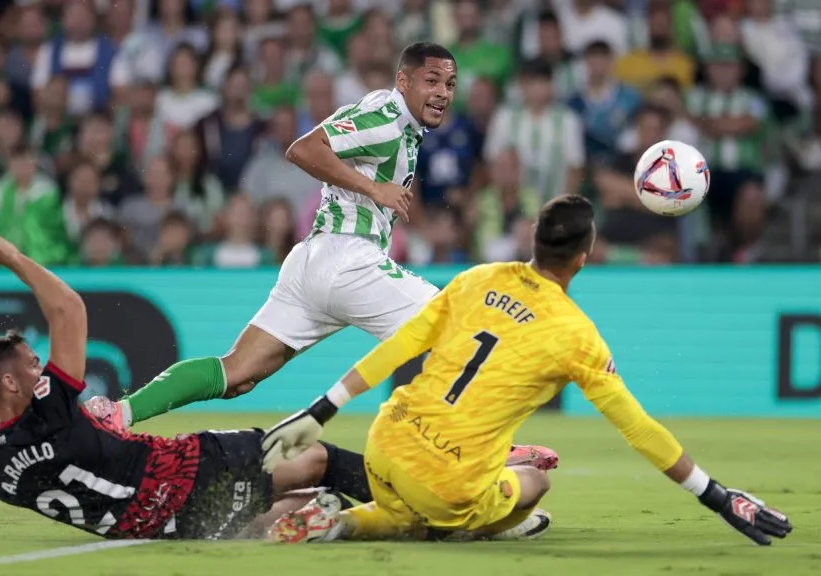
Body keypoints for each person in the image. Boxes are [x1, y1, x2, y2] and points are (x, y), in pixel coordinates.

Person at [259, 195, 793, 547]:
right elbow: (638, 429)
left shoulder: (476, 279)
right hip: (448, 485)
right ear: (584, 257)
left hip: (386, 443)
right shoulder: (577, 336)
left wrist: (322, 408)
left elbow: (399, 347)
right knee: (534, 482)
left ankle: (342, 518)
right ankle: (475, 523)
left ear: (534, 235)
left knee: (403, 508)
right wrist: (718, 495)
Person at [0, 217, 372, 541]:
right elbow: (71, 310)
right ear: (10, 385)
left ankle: (316, 517)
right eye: (31, 363)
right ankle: (421, 498)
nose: (41, 367)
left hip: (162, 526)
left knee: (287, 507)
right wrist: (8, 255)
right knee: (314, 456)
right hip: (188, 471)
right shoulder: (50, 408)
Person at [91, 42, 462, 427]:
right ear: (403, 81)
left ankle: (118, 414)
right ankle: (472, 450)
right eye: (431, 80)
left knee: (237, 373)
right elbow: (303, 149)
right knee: (460, 327)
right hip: (349, 259)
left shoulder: (394, 118)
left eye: (450, 84)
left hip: (312, 262)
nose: (442, 92)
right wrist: (374, 189)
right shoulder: (386, 119)